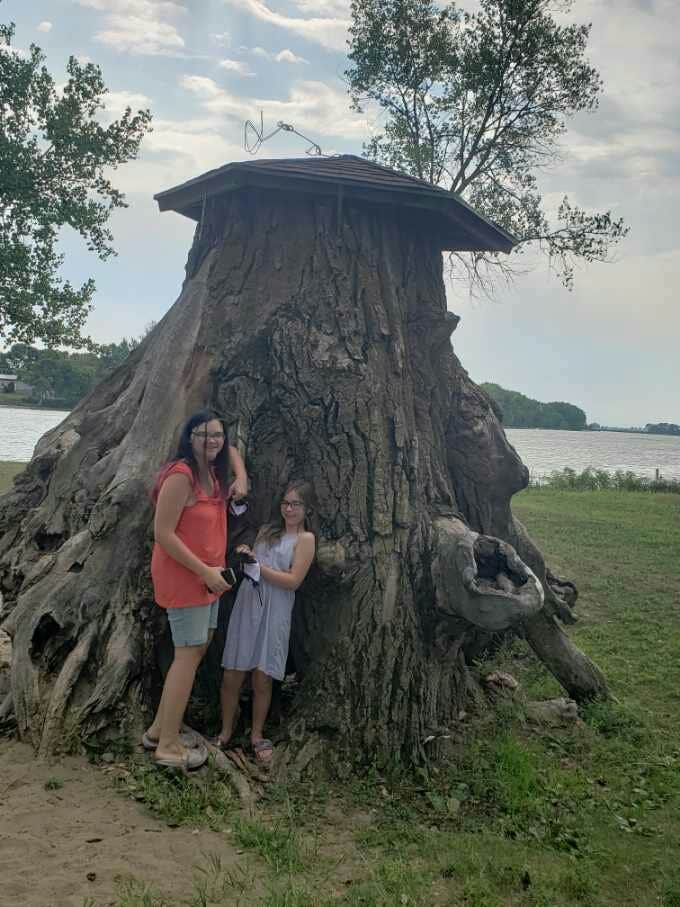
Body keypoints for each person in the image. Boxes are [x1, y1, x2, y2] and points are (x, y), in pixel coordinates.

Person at [144, 410, 248, 770]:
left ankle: (160, 728)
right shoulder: (181, 475)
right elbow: (163, 534)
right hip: (187, 576)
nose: (213, 441)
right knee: (187, 656)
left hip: (210, 578)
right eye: (204, 435)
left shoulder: (214, 472)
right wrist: (204, 570)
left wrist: (242, 476)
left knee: (198, 647)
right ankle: (168, 745)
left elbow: (232, 451)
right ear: (189, 438)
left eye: (218, 435)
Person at [217, 480, 316, 764]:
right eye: (286, 503)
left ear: (307, 509)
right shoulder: (267, 531)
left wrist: (260, 568)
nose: (289, 508)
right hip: (249, 601)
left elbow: (294, 580)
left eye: (296, 504)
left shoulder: (305, 539)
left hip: (278, 607)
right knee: (233, 672)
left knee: (263, 675)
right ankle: (225, 731)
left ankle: (257, 734)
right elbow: (252, 560)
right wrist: (248, 557)